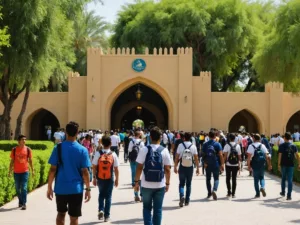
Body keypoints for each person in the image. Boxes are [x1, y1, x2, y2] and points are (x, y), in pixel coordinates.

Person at [47, 121, 91, 225]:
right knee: (74, 217)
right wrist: (88, 189)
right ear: (77, 133)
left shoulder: (57, 148)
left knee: (61, 214)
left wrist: (49, 187)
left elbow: (52, 169)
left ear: (65, 132)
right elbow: (85, 172)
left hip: (61, 188)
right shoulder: (82, 150)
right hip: (76, 189)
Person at [134, 126, 171, 225]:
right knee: (158, 209)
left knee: (146, 208)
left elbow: (139, 167)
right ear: (160, 137)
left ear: (150, 137)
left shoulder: (144, 149)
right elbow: (167, 169)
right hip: (160, 184)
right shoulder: (164, 150)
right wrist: (167, 183)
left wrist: (136, 182)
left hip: (146, 184)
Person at [92, 135, 119, 222]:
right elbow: (116, 168)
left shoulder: (98, 153)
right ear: (111, 143)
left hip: (100, 177)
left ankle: (101, 209)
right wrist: (117, 179)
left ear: (102, 143)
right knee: (108, 196)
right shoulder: (113, 154)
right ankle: (107, 216)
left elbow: (94, 166)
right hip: (110, 177)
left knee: (101, 194)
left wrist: (94, 177)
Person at [8, 135, 34, 210]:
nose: (24, 141)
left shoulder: (28, 149)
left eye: (25, 139)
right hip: (16, 172)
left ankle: (24, 203)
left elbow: (30, 161)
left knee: (24, 187)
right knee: (17, 188)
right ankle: (20, 200)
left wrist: (32, 170)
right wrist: (9, 171)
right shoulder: (14, 150)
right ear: (18, 141)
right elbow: (12, 161)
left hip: (25, 171)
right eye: (22, 139)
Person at [174, 132, 200, 207]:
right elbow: (196, 158)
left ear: (184, 138)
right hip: (190, 167)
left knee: (181, 184)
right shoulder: (193, 146)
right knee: (188, 184)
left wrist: (175, 166)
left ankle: (182, 196)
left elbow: (176, 157)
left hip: (182, 166)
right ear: (191, 138)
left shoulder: (180, 145)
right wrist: (198, 168)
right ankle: (187, 201)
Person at [247, 134, 272, 198]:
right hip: (262, 164)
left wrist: (249, 166)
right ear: (260, 139)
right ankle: (262, 187)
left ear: (254, 139)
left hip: (255, 165)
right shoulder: (262, 145)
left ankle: (257, 193)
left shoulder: (251, 146)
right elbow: (267, 156)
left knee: (256, 179)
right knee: (262, 177)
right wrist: (269, 165)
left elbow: (249, 157)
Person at [202, 131, 224, 200]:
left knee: (208, 179)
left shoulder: (205, 144)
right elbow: (220, 154)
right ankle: (214, 190)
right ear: (215, 136)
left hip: (207, 164)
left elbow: (203, 154)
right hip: (216, 163)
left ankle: (209, 193)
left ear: (208, 136)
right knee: (216, 178)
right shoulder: (218, 144)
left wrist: (204, 162)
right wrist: (222, 164)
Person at [278, 132, 300, 200]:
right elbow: (297, 155)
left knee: (283, 178)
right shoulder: (293, 146)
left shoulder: (281, 146)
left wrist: (278, 165)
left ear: (284, 138)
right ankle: (289, 195)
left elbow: (280, 156)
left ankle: (283, 192)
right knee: (290, 180)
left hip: (283, 164)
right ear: (290, 138)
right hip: (291, 164)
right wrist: (299, 163)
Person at [223, 133, 242, 198]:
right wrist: (239, 165)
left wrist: (222, 164)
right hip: (235, 164)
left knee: (228, 178)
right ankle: (233, 193)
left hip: (228, 164)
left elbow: (225, 156)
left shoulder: (226, 146)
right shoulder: (238, 146)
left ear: (229, 138)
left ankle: (229, 192)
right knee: (234, 179)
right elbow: (239, 157)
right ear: (235, 138)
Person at [128, 130, 145, 202]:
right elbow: (143, 151)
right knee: (140, 177)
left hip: (133, 160)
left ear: (134, 135)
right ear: (139, 135)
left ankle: (136, 195)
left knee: (134, 175)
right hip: (140, 160)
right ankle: (142, 195)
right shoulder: (141, 142)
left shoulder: (131, 141)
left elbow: (129, 149)